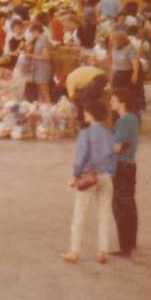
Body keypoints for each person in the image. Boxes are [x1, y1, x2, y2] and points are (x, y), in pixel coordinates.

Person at [61, 101, 116, 264]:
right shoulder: (109, 133)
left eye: (86, 112)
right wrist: (110, 172)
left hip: (89, 176)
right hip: (106, 175)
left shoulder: (85, 133)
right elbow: (114, 157)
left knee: (80, 214)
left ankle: (74, 251)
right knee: (104, 213)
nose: (84, 114)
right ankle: (102, 251)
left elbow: (80, 158)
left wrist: (75, 176)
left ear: (91, 114)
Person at [110, 91, 140, 257]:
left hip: (120, 166)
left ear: (122, 103)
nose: (110, 102)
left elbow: (118, 147)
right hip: (131, 164)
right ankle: (131, 241)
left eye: (113, 99)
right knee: (130, 204)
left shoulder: (122, 121)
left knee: (120, 206)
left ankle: (124, 246)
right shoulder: (134, 119)